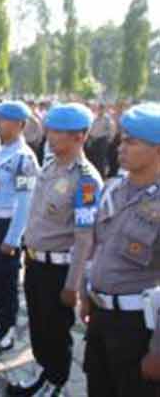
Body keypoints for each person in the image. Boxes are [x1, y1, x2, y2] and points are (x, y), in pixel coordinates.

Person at [5, 103, 102, 395]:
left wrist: (73, 285)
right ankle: (43, 373)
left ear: (80, 136)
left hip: (58, 269)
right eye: (50, 129)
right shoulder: (49, 165)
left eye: (60, 132)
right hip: (35, 261)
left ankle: (55, 383)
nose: (51, 136)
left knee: (56, 332)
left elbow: (85, 238)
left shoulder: (86, 180)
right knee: (38, 326)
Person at [81, 103, 160, 396]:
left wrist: (158, 350)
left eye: (131, 141)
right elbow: (97, 246)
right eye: (122, 139)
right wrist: (86, 292)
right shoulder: (113, 189)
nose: (120, 147)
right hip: (101, 317)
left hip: (136, 326)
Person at [0, 101, 39, 355]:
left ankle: (8, 330)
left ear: (20, 125)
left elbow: (25, 201)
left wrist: (13, 238)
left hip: (6, 226)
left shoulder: (24, 159)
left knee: (6, 280)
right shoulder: (2, 151)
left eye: (4, 121)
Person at [85, 103, 115, 179]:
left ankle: (101, 176)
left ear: (104, 110)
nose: (100, 110)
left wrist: (109, 140)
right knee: (92, 158)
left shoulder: (107, 119)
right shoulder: (94, 117)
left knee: (100, 159)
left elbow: (111, 130)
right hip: (92, 140)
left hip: (102, 140)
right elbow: (91, 128)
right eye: (99, 108)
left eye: (101, 109)